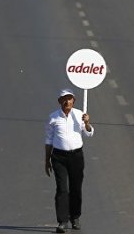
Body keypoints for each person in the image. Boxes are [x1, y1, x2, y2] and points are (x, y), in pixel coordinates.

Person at [44, 89, 93, 233]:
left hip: (76, 157)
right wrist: (47, 160)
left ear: (74, 101)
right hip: (59, 157)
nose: (67, 102)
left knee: (76, 188)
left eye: (70, 99)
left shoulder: (80, 115)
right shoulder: (53, 118)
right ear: (59, 101)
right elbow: (48, 140)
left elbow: (89, 133)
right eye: (64, 99)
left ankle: (75, 217)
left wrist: (87, 123)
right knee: (62, 189)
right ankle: (62, 221)